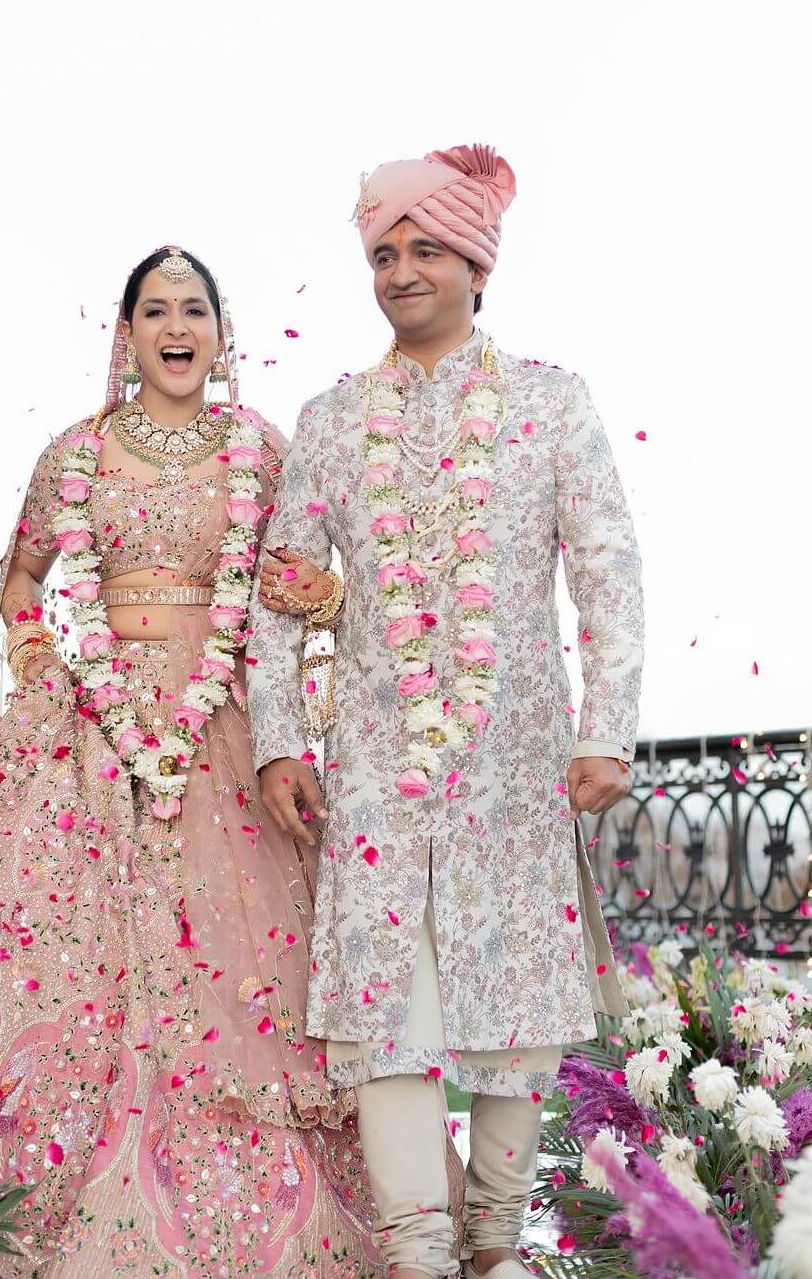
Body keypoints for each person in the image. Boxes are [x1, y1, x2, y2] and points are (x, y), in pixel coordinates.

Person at [0, 247, 439, 1276]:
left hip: (221, 729)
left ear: (221, 333)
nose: (177, 327)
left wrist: (326, 599)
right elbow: (21, 580)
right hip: (86, 720)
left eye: (195, 310)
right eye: (156, 310)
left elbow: (300, 575)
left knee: (242, 978)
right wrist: (45, 660)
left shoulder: (264, 450)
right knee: (55, 953)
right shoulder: (74, 453)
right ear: (126, 333)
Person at [248, 146, 644, 1279]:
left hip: (514, 764)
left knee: (519, 1004)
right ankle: (419, 1254)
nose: (402, 272)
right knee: (386, 1009)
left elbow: (608, 571)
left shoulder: (550, 403)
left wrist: (605, 729)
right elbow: (279, 594)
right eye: (384, 253)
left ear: (477, 265)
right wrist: (281, 737)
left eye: (427, 249)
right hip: (374, 770)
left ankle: (495, 1245)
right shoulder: (333, 421)